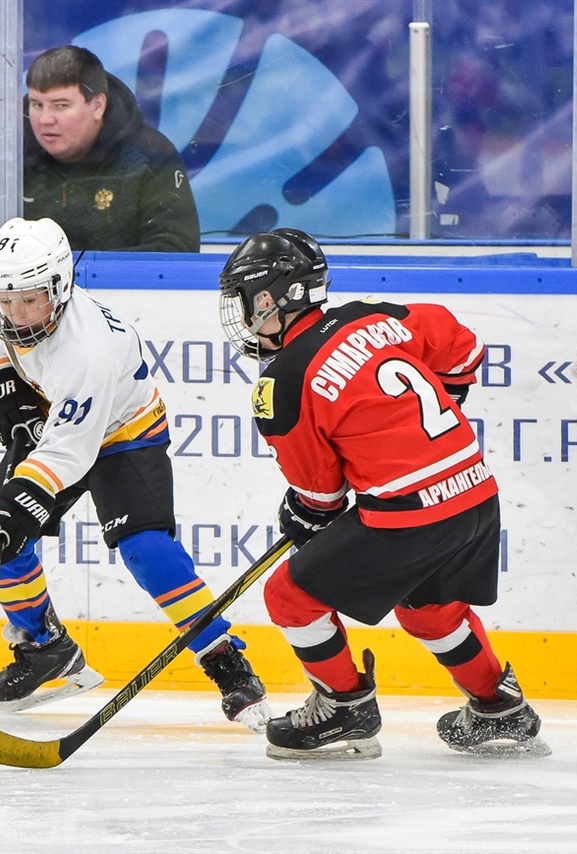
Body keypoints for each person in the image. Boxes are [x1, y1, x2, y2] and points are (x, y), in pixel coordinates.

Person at [216, 227, 547, 761]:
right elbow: (463, 348)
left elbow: (321, 496)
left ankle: (344, 706)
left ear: (280, 295)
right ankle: (497, 707)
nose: (245, 316)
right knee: (430, 609)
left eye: (249, 301)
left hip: (407, 515)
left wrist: (303, 513)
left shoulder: (283, 381)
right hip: (474, 493)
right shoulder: (375, 315)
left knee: (289, 597)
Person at [0, 216, 268, 731]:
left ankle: (227, 664)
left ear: (60, 287)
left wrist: (23, 489)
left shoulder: (89, 353)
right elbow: (4, 346)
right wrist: (9, 394)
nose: (16, 313)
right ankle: (46, 649)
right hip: (58, 419)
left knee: (148, 549)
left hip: (124, 431)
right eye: (6, 299)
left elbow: (70, 452)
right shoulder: (10, 305)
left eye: (30, 300)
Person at [0, 45, 199, 252]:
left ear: (98, 106)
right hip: (19, 309)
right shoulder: (3, 154)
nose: (45, 119)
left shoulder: (150, 155)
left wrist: (79, 277)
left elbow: (175, 249)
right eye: (37, 104)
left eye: (61, 106)